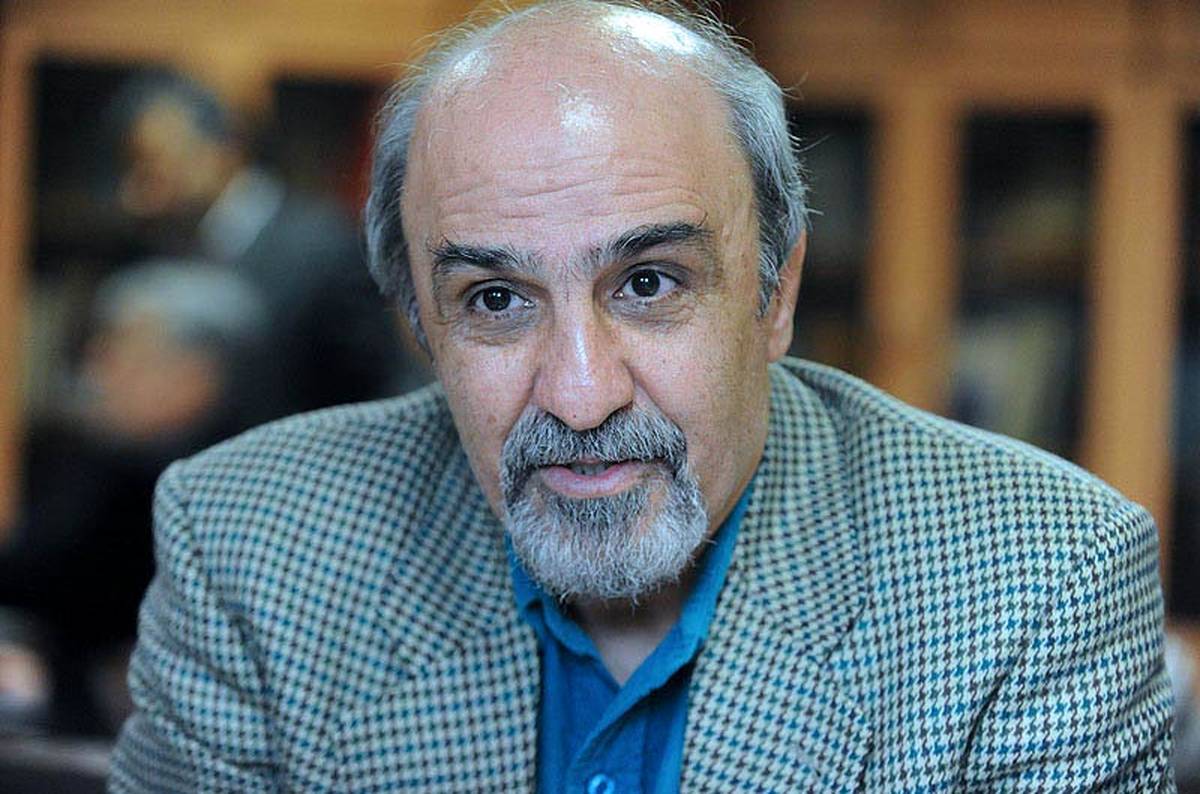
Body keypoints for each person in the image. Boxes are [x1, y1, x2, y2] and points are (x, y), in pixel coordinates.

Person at [109, 1, 1174, 790]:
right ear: (420, 326)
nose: (580, 397)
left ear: (775, 293)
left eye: (650, 283)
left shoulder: (1036, 583)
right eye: (495, 299)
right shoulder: (249, 545)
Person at [0, 260, 267, 737]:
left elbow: (45, 583)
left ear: (194, 375)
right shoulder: (94, 460)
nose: (96, 369)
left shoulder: (190, 493)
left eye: (122, 350)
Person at [108, 71, 424, 422]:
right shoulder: (162, 250)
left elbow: (378, 382)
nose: (140, 193)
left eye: (156, 164)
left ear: (223, 148)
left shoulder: (320, 247)